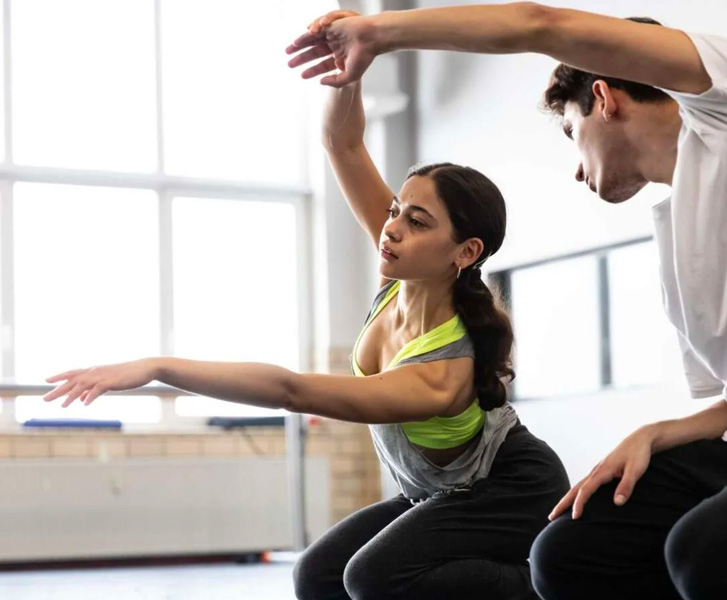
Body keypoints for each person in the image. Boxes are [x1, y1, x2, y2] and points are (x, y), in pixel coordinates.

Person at [285, 5, 727, 600]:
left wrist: (379, 32)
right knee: (570, 553)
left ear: (604, 97)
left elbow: (539, 24)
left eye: (571, 136)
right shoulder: (679, 243)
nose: (577, 168)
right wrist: (653, 433)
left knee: (704, 553)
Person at [44, 78, 568, 600]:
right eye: (394, 211)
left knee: (372, 577)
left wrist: (161, 367)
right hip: (438, 492)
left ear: (465, 251)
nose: (392, 228)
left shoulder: (442, 375)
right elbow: (342, 143)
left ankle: (536, 589)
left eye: (417, 220)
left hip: (511, 489)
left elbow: (290, 391)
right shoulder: (400, 274)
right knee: (317, 575)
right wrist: (350, 72)